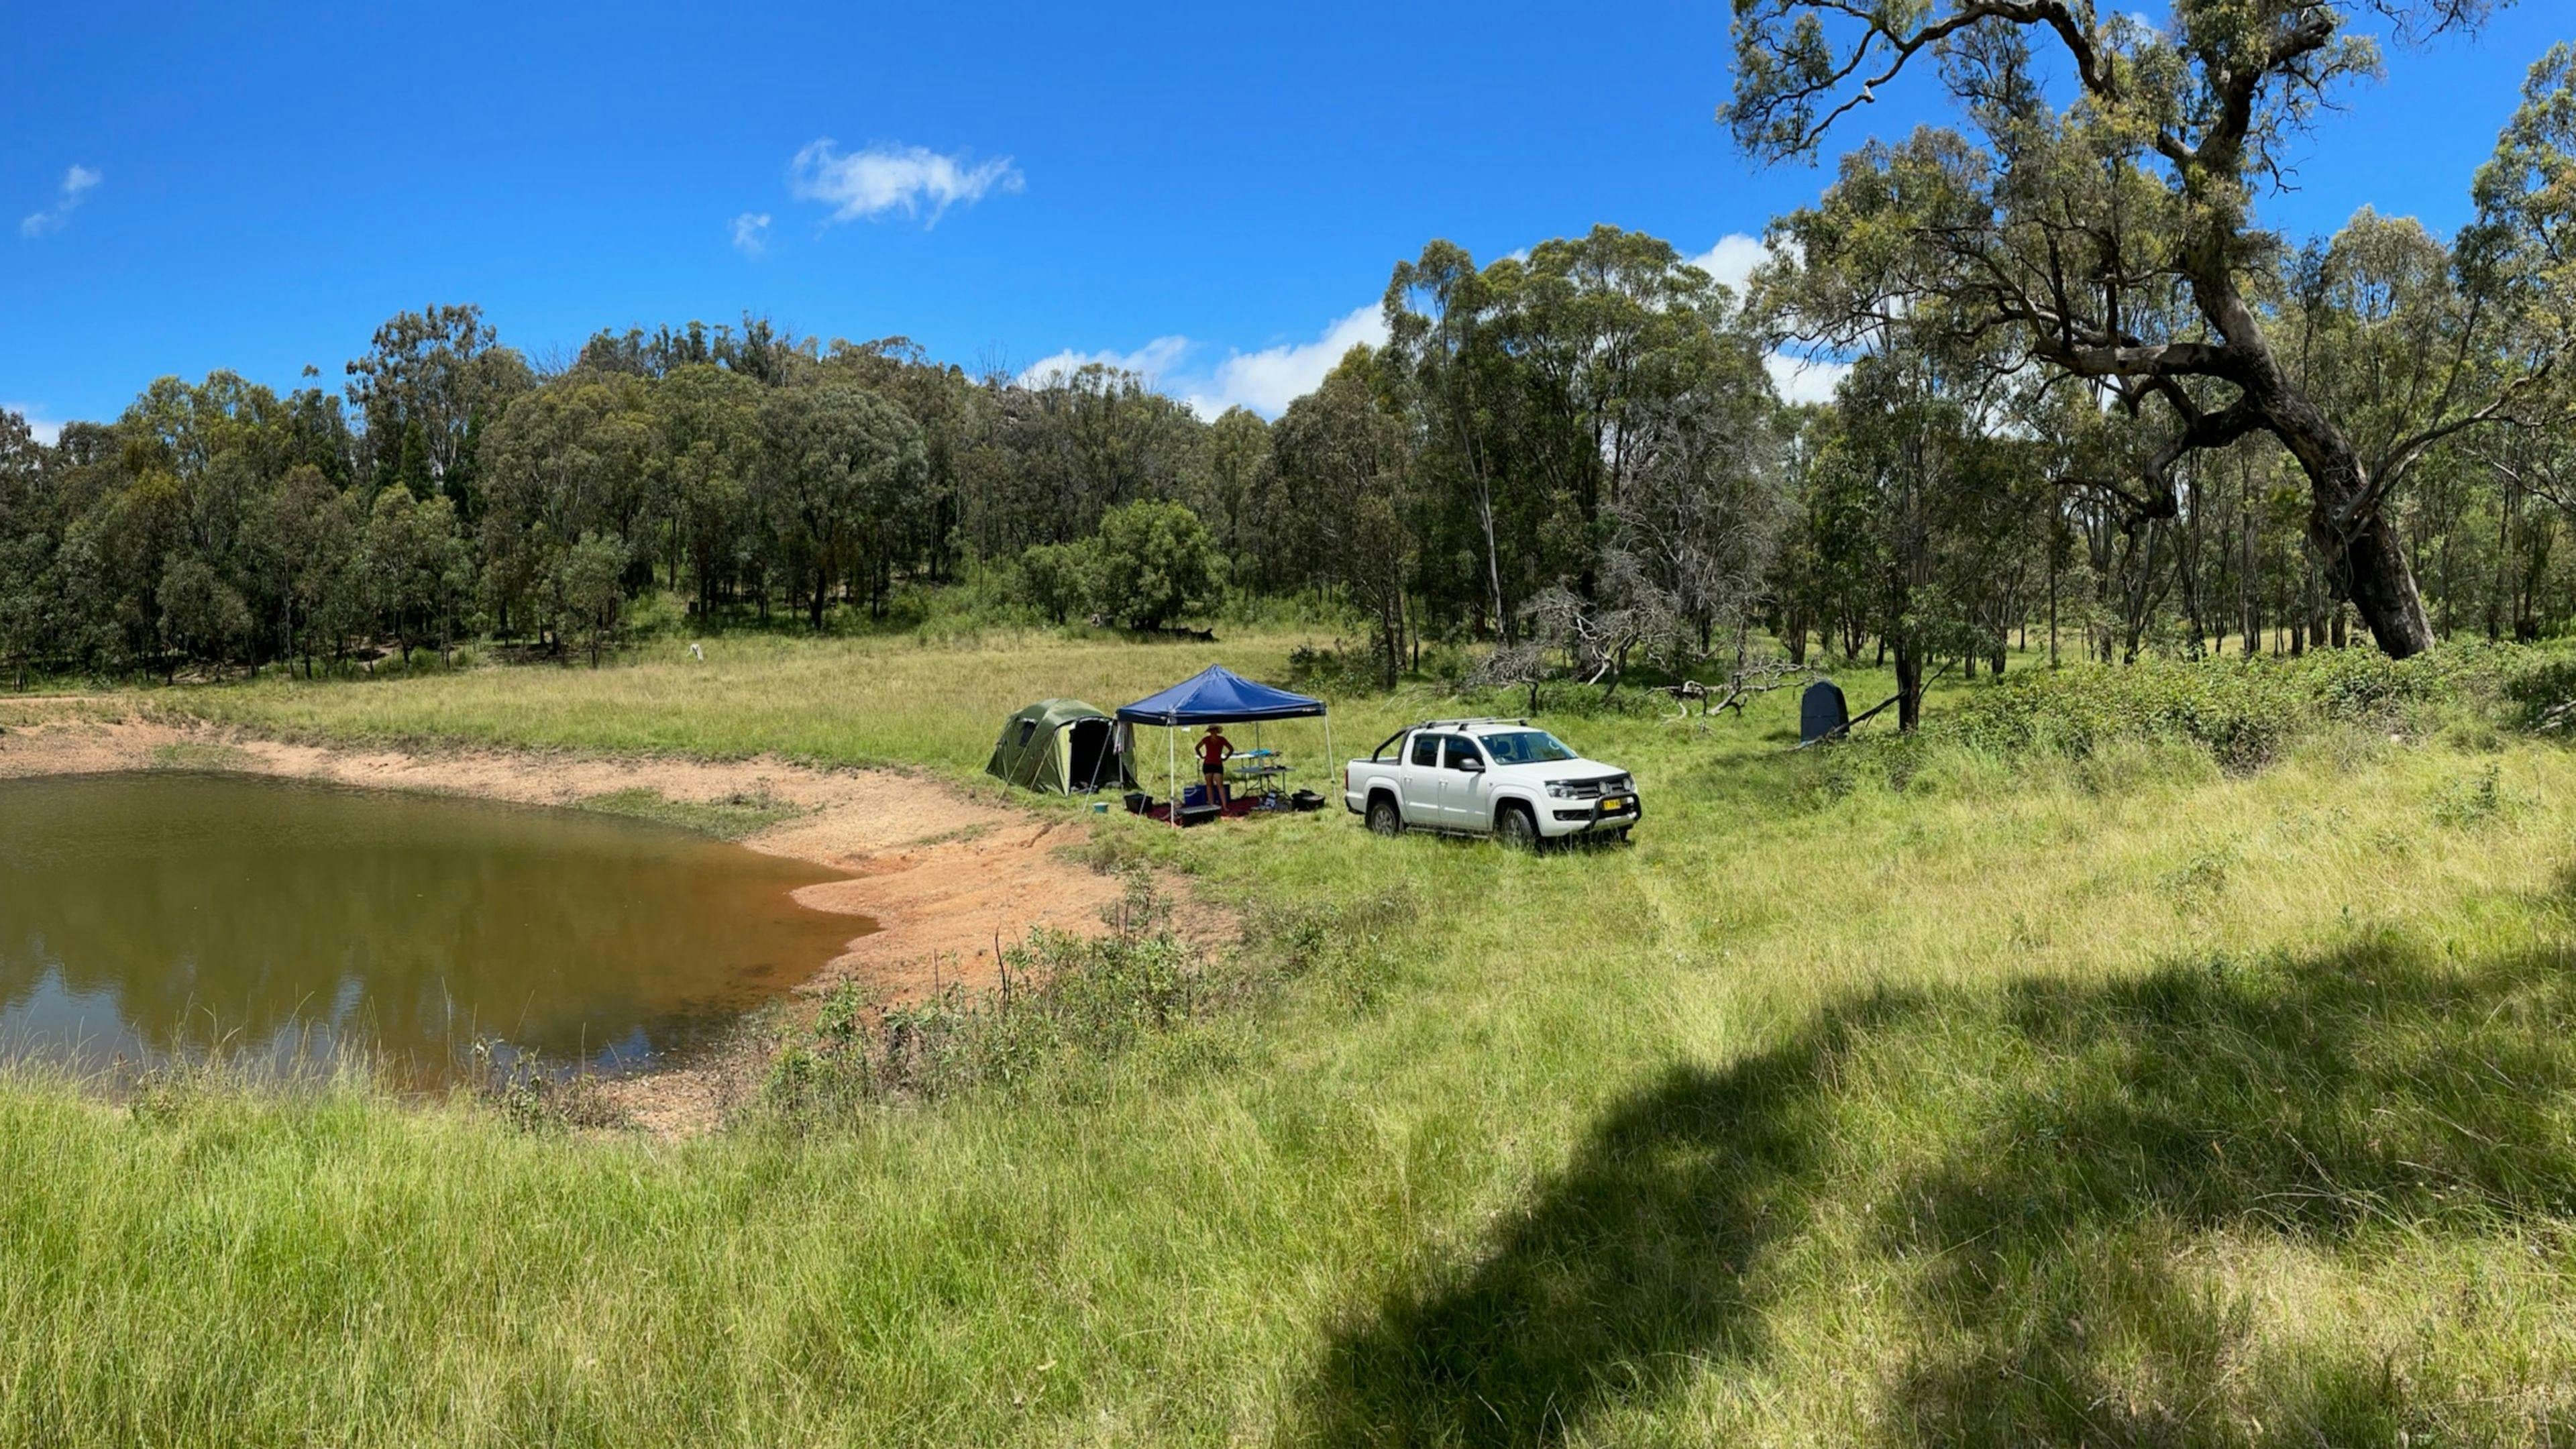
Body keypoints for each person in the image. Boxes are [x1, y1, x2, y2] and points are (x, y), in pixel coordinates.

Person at [1195, 724, 1234, 808]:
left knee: (1220, 785)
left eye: (1214, 730)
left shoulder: (1222, 739)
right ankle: (1212, 805)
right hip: (1208, 764)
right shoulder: (1206, 739)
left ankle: (1224, 806)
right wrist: (1201, 756)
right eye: (1211, 730)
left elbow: (1231, 749)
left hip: (1217, 764)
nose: (1213, 732)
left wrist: (1226, 758)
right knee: (1209, 785)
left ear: (1216, 730)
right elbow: (1197, 748)